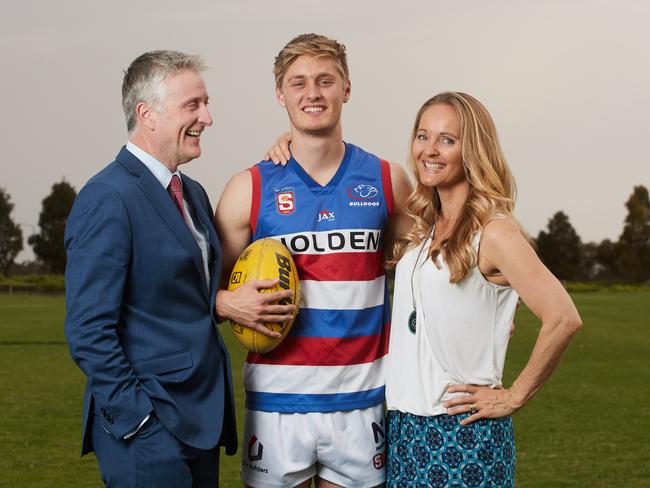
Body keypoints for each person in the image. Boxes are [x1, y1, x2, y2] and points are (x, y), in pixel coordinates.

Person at [214, 34, 412, 487]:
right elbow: (203, 289)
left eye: (326, 80)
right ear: (280, 94)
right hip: (277, 403)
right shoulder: (249, 188)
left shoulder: (387, 179)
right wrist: (226, 301)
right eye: (298, 83)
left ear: (346, 88)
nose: (313, 93)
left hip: (361, 400)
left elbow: (435, 261)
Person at [64, 50, 246, 486]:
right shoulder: (108, 196)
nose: (208, 117)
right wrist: (139, 418)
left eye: (206, 103)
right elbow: (89, 331)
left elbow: (181, 295)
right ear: (147, 114)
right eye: (193, 105)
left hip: (201, 420)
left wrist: (225, 302)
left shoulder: (193, 193)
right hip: (148, 428)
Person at [384, 92, 582, 486]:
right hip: (405, 428)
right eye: (423, 136)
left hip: (461, 431)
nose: (430, 150)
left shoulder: (494, 232)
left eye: (447, 140)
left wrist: (513, 396)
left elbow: (563, 317)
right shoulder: (424, 228)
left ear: (473, 150)